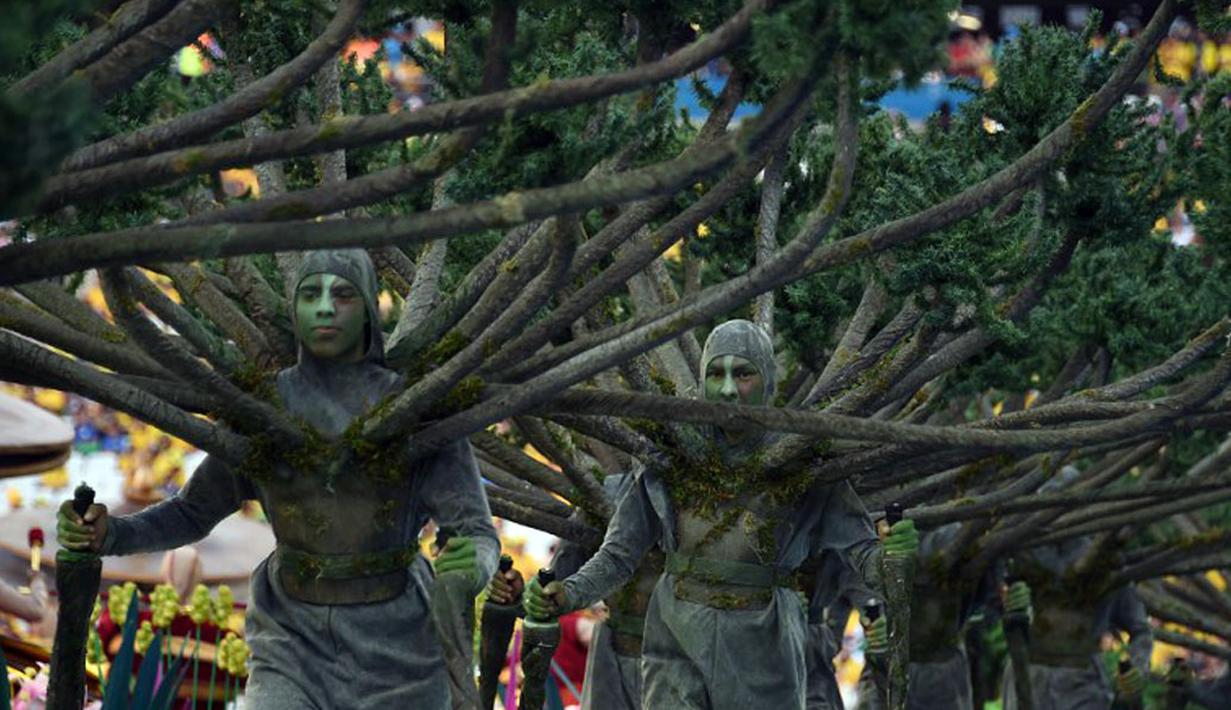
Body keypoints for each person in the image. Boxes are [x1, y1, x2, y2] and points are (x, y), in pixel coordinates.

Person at [57, 249, 499, 710]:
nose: (325, 307)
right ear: (294, 309)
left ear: (369, 308)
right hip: (291, 641)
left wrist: (472, 566)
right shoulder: (263, 410)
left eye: (343, 294)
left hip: (402, 646)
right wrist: (112, 534)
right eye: (311, 295)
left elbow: (476, 532)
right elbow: (192, 511)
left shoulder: (416, 409)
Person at [523, 319, 916, 710]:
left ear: (767, 381)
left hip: (765, 648)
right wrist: (568, 593)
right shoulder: (673, 458)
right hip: (673, 643)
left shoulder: (803, 462)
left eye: (743, 374)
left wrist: (893, 554)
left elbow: (866, 558)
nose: (728, 389)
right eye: (716, 374)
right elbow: (619, 554)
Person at [1001, 535, 1153, 710]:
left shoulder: (1106, 564)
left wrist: (1137, 667)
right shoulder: (1022, 556)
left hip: (1082, 685)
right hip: (1027, 676)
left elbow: (1140, 630)